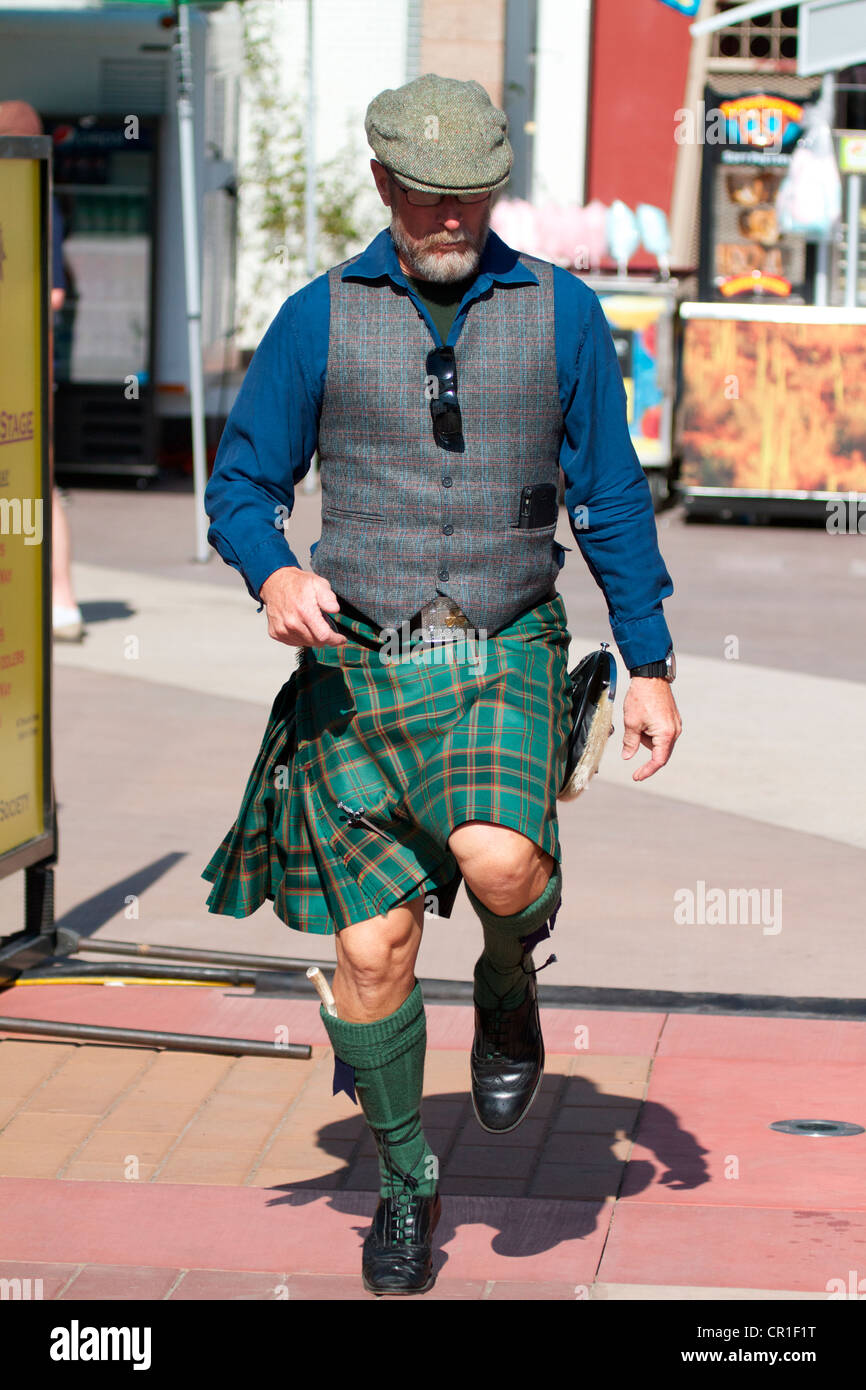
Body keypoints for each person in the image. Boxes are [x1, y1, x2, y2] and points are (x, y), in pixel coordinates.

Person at [203, 73, 682, 1297]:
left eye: (471, 197)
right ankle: (408, 1182)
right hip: (358, 667)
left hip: (505, 642)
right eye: (428, 198)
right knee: (371, 950)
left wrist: (650, 664)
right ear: (382, 188)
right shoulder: (314, 319)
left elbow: (611, 498)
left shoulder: (563, 314)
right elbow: (238, 486)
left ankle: (509, 974)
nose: (451, 220)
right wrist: (270, 574)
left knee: (501, 863)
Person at [0, 99, 84, 641]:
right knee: (37, 486)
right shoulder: (39, 202)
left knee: (33, 485)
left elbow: (52, 293)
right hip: (26, 367)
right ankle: (60, 602)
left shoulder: (30, 204)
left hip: (20, 369)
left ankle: (56, 599)